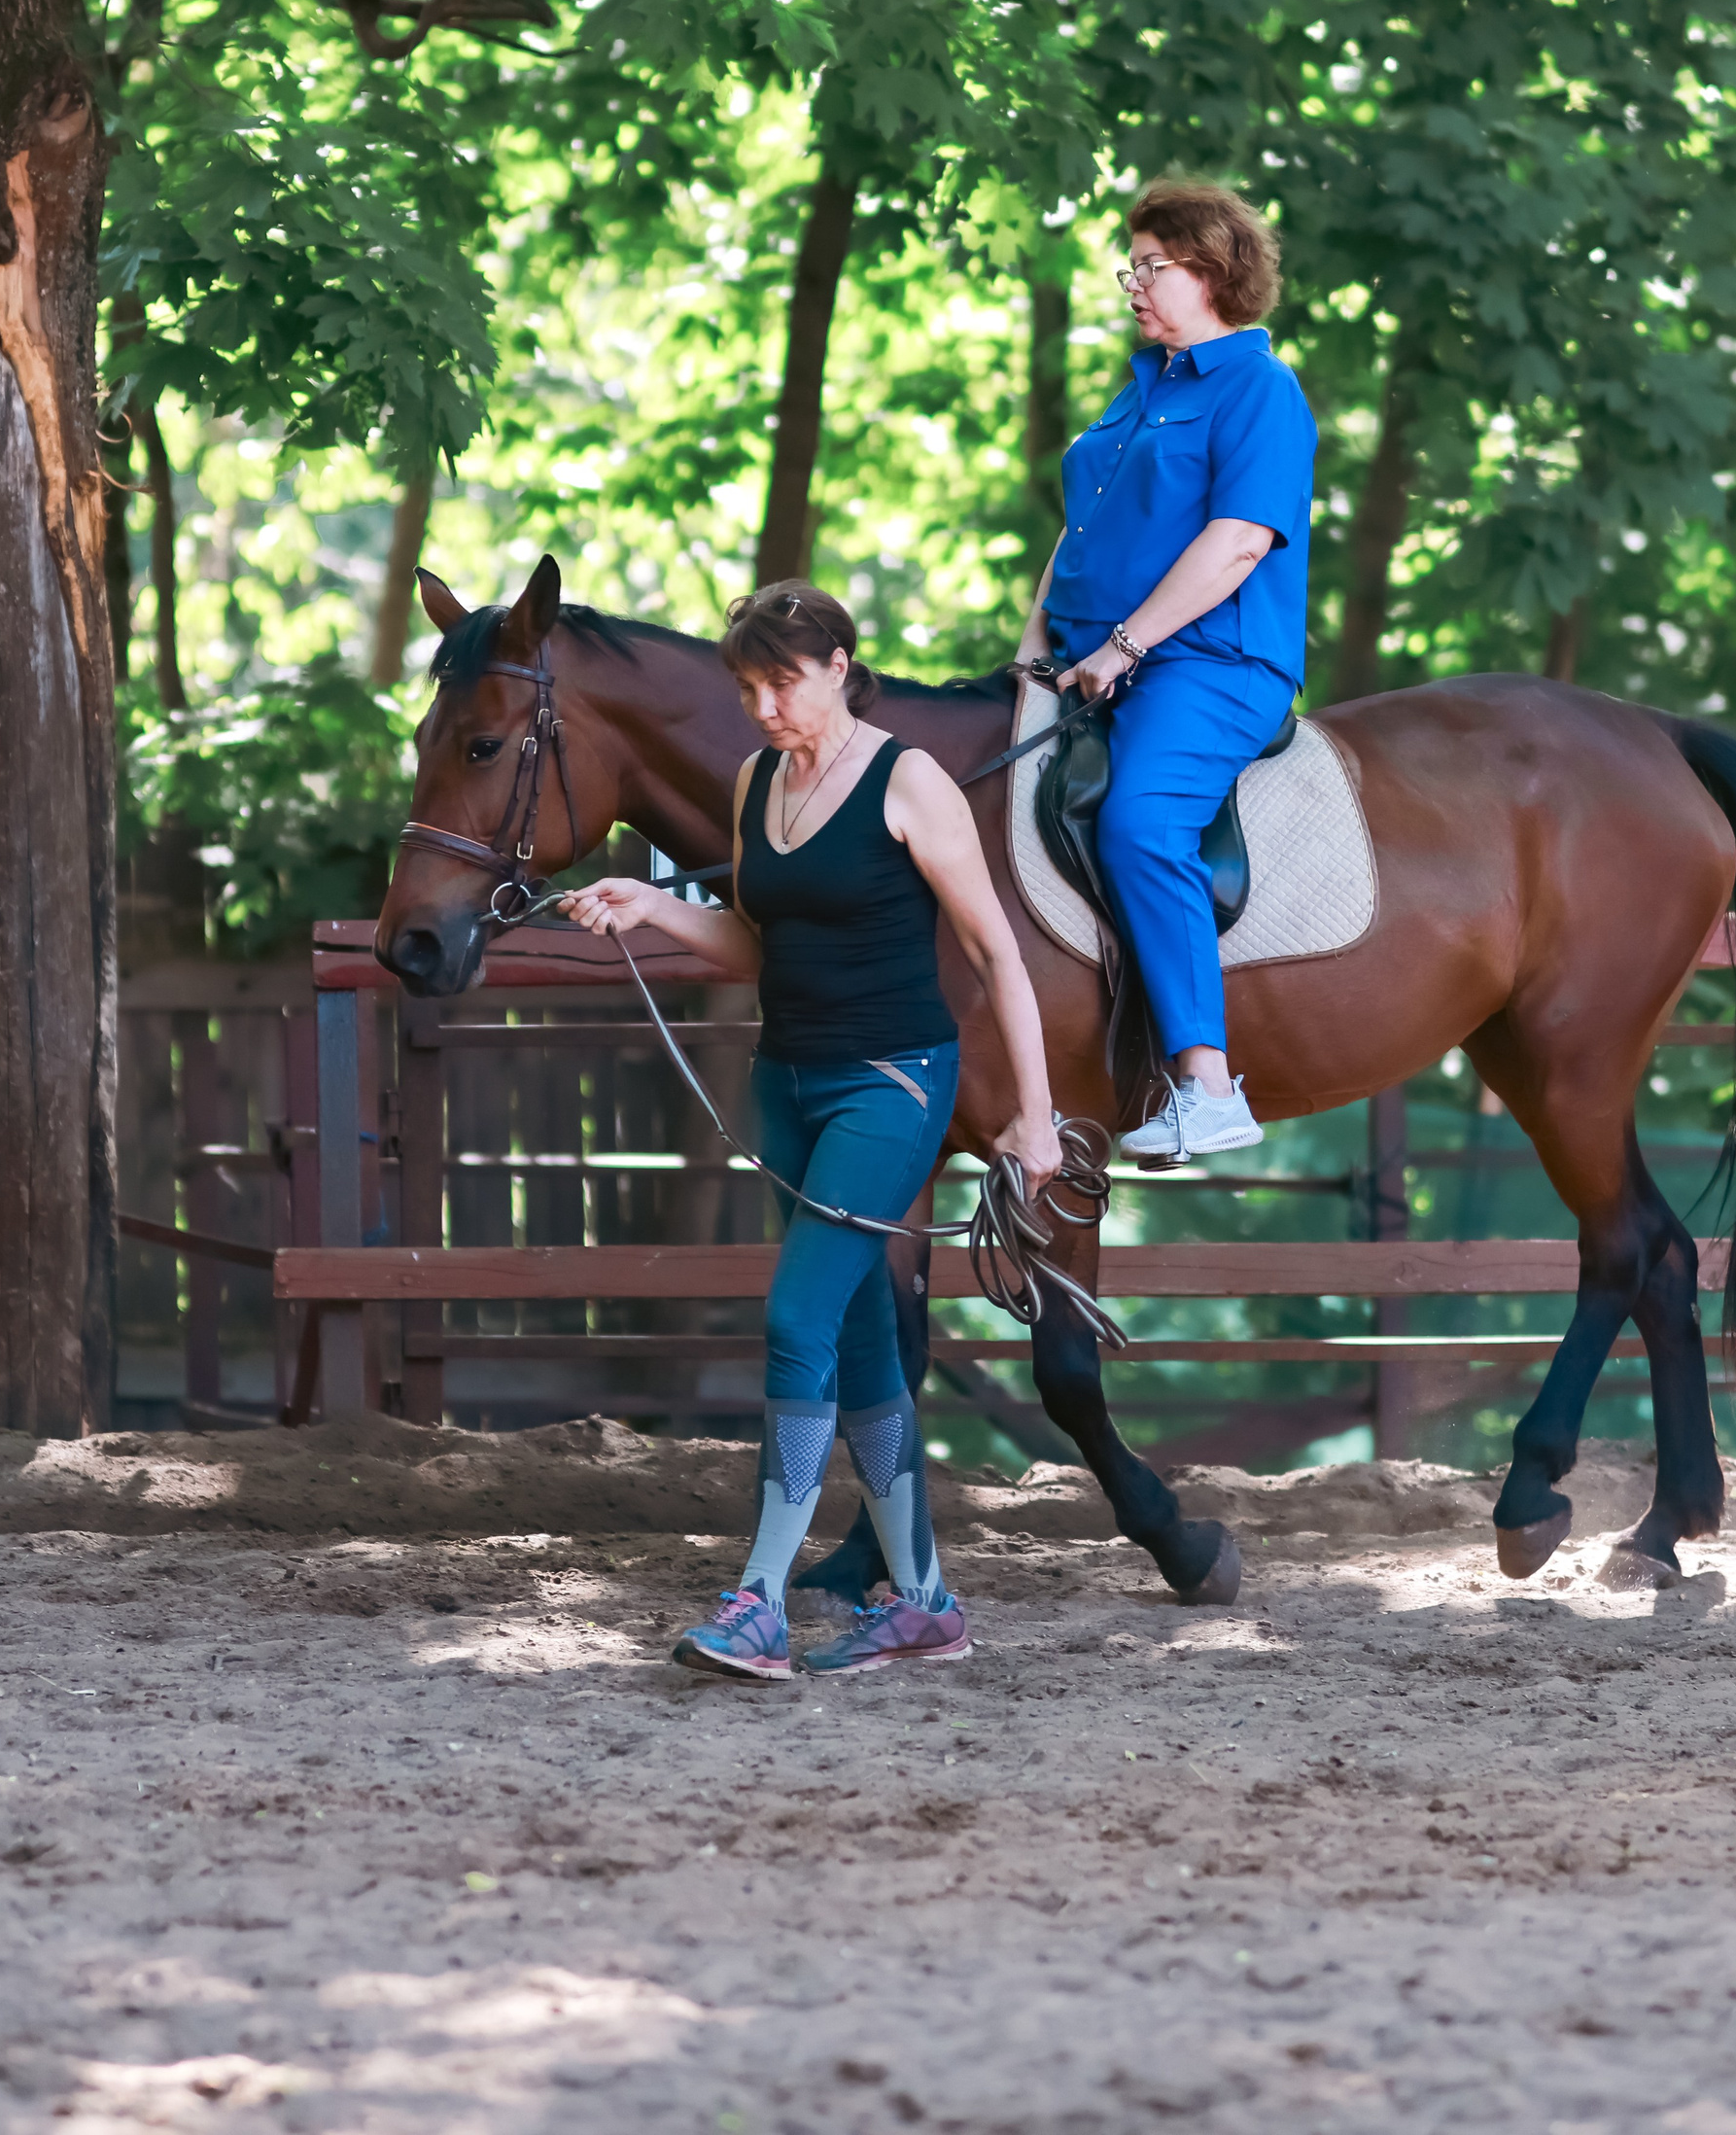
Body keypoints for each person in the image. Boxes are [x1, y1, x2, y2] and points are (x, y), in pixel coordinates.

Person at [558, 581, 1061, 1681]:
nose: (764, 706)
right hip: (784, 1082)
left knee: (796, 1315)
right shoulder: (752, 782)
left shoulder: (909, 780)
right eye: (746, 687)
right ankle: (922, 1601)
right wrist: (650, 908)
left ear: (840, 663)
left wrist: (1032, 1111)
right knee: (861, 1330)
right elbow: (756, 944)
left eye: (781, 680)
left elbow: (995, 953)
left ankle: (757, 1601)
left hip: (889, 1082)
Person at [1024, 177, 1318, 1167]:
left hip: (1209, 664)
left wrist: (1126, 644)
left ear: (1213, 268)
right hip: (1093, 661)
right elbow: (1077, 533)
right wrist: (1033, 657)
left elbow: (1237, 541)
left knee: (1143, 822)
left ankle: (1205, 1083)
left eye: (1151, 266)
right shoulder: (1143, 387)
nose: (1132, 285)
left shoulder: (1258, 390)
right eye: (1131, 266)